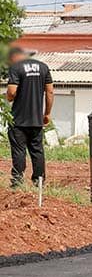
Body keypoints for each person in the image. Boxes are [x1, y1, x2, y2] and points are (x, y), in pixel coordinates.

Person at [5, 46, 53, 189]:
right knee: (37, 151)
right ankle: (39, 181)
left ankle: (17, 182)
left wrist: (8, 97)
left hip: (18, 120)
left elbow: (12, 92)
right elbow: (50, 92)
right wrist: (47, 113)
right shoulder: (44, 67)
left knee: (19, 151)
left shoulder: (16, 68)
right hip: (36, 120)